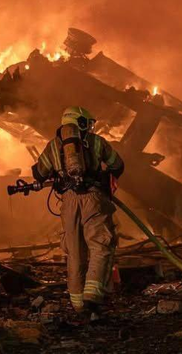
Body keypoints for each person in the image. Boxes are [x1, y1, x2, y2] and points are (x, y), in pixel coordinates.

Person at [32, 106, 124, 316]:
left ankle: (78, 305)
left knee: (74, 253)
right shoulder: (96, 142)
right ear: (81, 123)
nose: (90, 128)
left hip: (68, 202)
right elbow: (117, 165)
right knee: (100, 245)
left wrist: (59, 174)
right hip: (93, 198)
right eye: (88, 123)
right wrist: (103, 178)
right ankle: (92, 296)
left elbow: (39, 174)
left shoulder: (53, 146)